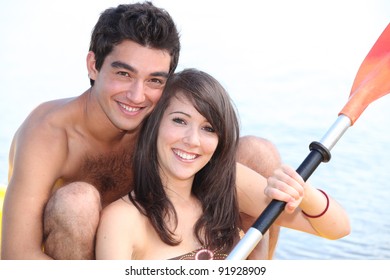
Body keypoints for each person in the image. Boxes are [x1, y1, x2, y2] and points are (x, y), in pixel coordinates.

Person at [1, 2, 279, 260]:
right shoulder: (49, 133)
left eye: (154, 80)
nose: (137, 96)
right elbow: (15, 256)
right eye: (124, 74)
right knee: (77, 202)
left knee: (259, 154)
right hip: (72, 256)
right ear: (94, 65)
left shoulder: (163, 118)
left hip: (140, 244)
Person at [95, 68, 350, 260]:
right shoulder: (122, 220)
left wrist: (304, 193)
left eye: (208, 128)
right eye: (179, 121)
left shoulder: (227, 187)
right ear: (154, 125)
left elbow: (337, 229)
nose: (192, 140)